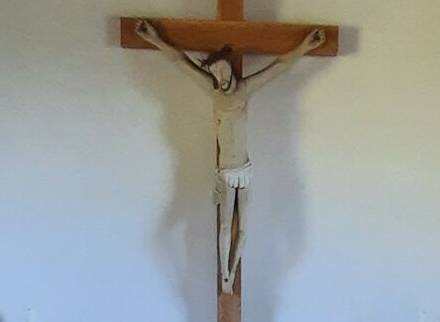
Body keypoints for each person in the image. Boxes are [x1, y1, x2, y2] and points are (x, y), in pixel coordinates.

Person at [134, 18, 326, 293]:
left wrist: (305, 47)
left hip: (244, 169)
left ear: (231, 68)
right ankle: (225, 274)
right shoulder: (213, 93)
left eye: (223, 70)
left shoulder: (246, 89)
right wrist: (154, 40)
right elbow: (179, 61)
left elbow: (281, 66)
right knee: (225, 226)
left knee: (243, 228)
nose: (220, 77)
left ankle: (233, 270)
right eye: (215, 73)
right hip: (225, 172)